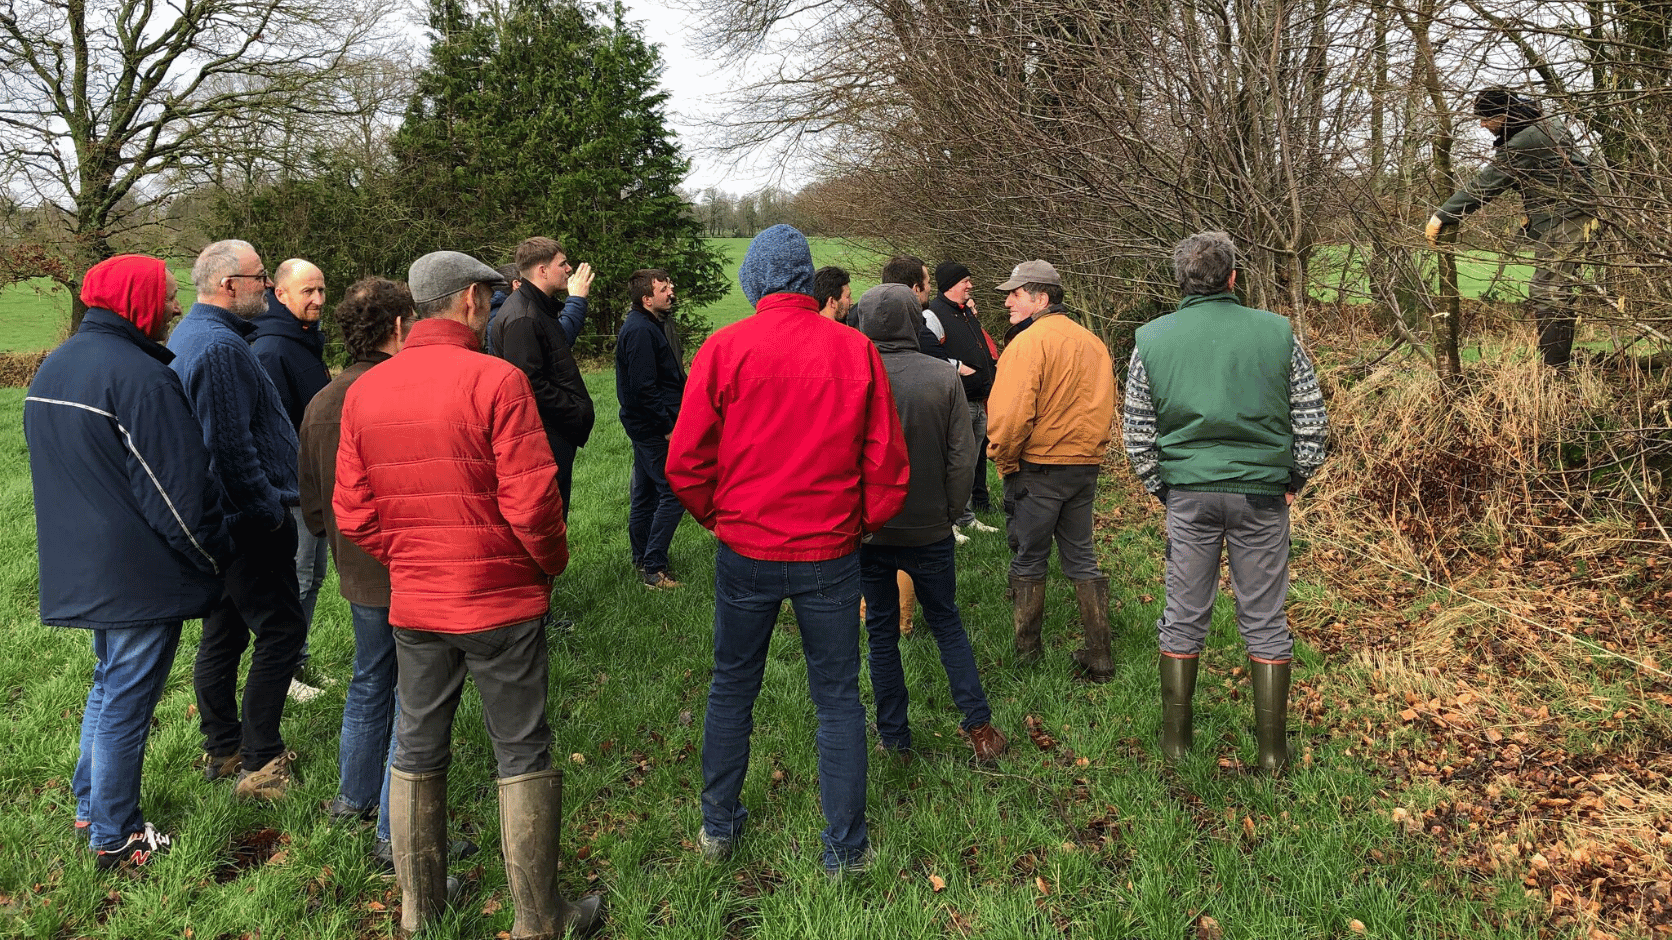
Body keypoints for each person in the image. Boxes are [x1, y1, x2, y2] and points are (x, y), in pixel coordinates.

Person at [335, 251, 602, 937]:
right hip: (500, 600)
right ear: (468, 302)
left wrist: (412, 557)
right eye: (485, 293)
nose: (488, 303)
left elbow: (354, 512)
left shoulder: (364, 389)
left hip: (417, 603)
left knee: (418, 748)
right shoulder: (498, 381)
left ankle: (418, 913)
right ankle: (539, 919)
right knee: (521, 751)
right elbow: (533, 502)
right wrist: (548, 566)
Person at [668, 224, 909, 876]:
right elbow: (888, 466)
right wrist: (857, 525)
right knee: (836, 698)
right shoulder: (853, 351)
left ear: (754, 282)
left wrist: (721, 518)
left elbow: (686, 462)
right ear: (805, 279)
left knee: (731, 688)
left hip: (749, 548)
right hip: (827, 552)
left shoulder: (724, 349)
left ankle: (718, 827)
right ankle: (846, 851)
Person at [25, 255, 230, 869]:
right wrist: (211, 560)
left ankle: (91, 804)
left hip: (86, 566)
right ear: (135, 301)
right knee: (127, 700)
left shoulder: (57, 363)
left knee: (107, 685)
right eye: (163, 296)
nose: (172, 307)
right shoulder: (141, 378)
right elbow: (177, 495)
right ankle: (116, 835)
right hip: (137, 574)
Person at [1124, 232, 1328, 774]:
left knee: (1183, 614)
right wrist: (1295, 478)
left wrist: (1163, 488)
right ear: (1234, 277)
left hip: (1188, 495)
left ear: (1180, 281)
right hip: (1261, 493)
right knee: (1264, 616)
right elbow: (1311, 419)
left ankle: (1176, 749)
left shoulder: (1151, 339)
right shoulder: (1278, 333)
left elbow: (1138, 432)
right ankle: (1272, 754)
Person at [168, 239, 308, 799]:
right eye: (259, 277)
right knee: (281, 630)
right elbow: (227, 446)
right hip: (246, 520)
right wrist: (266, 511)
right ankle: (261, 760)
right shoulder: (221, 348)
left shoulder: (198, 335)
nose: (267, 287)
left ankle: (223, 747)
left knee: (224, 630)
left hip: (220, 519)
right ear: (229, 285)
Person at [852, 283, 1007, 763]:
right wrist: (949, 511)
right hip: (931, 527)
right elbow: (964, 457)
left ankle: (894, 737)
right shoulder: (943, 377)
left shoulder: (853, 375)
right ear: (912, 322)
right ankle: (979, 728)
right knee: (946, 623)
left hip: (870, 531)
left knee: (880, 632)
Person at [986, 260, 1117, 681]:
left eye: (1016, 293)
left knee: (1029, 557)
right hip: (1084, 468)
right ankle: (1099, 656)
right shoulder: (1093, 342)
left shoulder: (1027, 343)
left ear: (1040, 299)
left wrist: (1004, 461)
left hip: (1039, 468)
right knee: (1081, 556)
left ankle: (1027, 656)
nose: (1008, 300)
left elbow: (1010, 416)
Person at [1425, 87, 1598, 369]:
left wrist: (1442, 216)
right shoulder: (1544, 122)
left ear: (1504, 115)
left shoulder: (1527, 139)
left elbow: (1487, 184)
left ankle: (1556, 374)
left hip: (1568, 218)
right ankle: (1556, 369)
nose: (1482, 124)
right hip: (1568, 215)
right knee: (1554, 288)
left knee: (1549, 289)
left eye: (1485, 118)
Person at [251, 258, 332, 700]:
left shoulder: (304, 341)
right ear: (280, 294)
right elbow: (275, 429)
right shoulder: (271, 350)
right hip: (292, 489)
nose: (318, 300)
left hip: (314, 484)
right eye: (308, 292)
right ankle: (283, 677)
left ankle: (298, 662)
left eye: (321, 290)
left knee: (314, 577)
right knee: (297, 580)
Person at [489, 236, 596, 516]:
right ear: (542, 271)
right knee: (550, 514)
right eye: (563, 264)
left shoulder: (537, 307)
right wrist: (573, 410)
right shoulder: (523, 317)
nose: (569, 269)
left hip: (553, 430)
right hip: (545, 435)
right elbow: (529, 384)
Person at [615, 268, 688, 589]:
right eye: (663, 289)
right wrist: (667, 427)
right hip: (653, 428)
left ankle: (641, 558)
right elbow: (643, 388)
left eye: (669, 285)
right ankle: (654, 568)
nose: (670, 291)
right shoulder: (641, 331)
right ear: (646, 299)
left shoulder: (649, 324)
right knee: (673, 494)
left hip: (644, 426)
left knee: (645, 495)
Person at [927, 261, 1001, 520]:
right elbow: (927, 354)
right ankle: (953, 517)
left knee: (972, 462)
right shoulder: (933, 315)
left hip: (979, 401)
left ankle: (968, 514)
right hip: (958, 402)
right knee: (957, 463)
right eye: (965, 281)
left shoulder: (965, 312)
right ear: (950, 285)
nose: (970, 286)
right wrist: (958, 368)